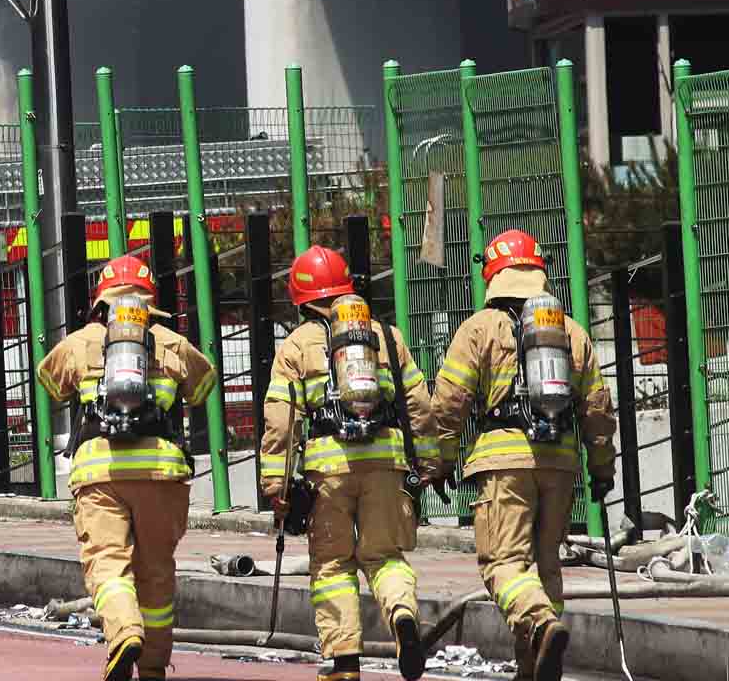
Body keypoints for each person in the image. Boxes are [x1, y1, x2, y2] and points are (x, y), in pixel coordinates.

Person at [427, 230, 617, 681]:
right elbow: (597, 405)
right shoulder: (569, 330)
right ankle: (532, 669)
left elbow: (449, 401)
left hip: (504, 462)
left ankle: (543, 624)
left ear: (494, 275)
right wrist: (602, 467)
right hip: (561, 460)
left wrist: (441, 460)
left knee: (504, 564)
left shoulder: (479, 328)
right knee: (546, 565)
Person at [37, 256, 216, 681]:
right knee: (155, 571)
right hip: (160, 472)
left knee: (108, 562)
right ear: (148, 299)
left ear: (101, 299)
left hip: (101, 471)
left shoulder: (81, 342)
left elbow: (48, 382)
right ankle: (153, 666)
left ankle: (124, 635)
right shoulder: (172, 344)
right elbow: (204, 387)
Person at [259, 246, 433, 681]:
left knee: (334, 565)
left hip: (327, 470)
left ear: (301, 297)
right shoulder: (386, 336)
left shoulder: (297, 345)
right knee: (384, 555)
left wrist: (276, 486)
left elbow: (282, 420)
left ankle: (345, 662)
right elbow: (420, 406)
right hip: (385, 463)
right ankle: (402, 617)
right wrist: (430, 463)